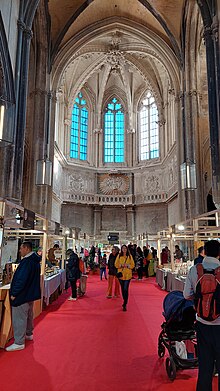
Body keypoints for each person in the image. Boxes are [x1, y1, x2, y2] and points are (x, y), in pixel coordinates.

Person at [183, 240, 220, 391]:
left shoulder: (194, 270)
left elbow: (186, 295)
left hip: (202, 323)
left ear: (204, 251)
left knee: (205, 365)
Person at [6, 241, 41, 352]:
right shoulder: (34, 260)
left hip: (22, 295)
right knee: (28, 315)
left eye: (21, 248)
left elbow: (21, 279)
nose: (20, 251)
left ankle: (19, 342)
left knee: (19, 318)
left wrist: (14, 294)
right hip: (29, 294)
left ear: (26, 248)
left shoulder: (27, 262)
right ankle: (28, 334)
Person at [115, 244, 135, 311]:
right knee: (123, 289)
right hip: (121, 275)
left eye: (125, 248)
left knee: (126, 289)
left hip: (128, 275)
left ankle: (125, 303)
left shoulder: (129, 256)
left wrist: (128, 265)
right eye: (123, 248)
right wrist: (121, 265)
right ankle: (124, 300)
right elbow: (116, 264)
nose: (124, 250)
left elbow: (133, 265)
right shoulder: (119, 256)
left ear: (127, 249)